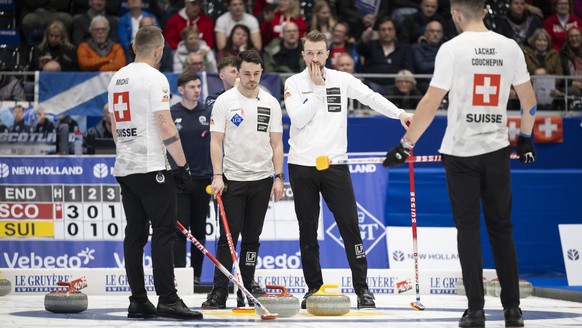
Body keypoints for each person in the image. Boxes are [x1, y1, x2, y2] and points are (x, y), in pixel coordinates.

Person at [382, 0, 537, 327]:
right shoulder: (509, 47)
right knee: (502, 229)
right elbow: (529, 101)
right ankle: (513, 309)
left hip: (461, 152)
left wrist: (405, 145)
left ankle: (476, 310)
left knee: (468, 230)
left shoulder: (452, 49)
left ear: (455, 14)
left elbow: (430, 101)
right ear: (484, 11)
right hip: (496, 148)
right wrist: (525, 138)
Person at [283, 30, 413, 310]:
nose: (315, 58)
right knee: (307, 230)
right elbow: (298, 118)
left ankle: (363, 289)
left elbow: (371, 97)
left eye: (320, 52)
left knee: (350, 228)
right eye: (310, 53)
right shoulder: (293, 82)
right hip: (301, 166)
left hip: (335, 166)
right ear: (302, 54)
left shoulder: (342, 79)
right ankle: (313, 288)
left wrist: (399, 114)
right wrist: (317, 89)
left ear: (328, 53)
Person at [107, 25, 202, 320]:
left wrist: (125, 150)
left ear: (135, 47)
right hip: (151, 166)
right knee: (164, 232)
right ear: (159, 50)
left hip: (125, 166)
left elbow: (112, 122)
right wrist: (183, 165)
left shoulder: (115, 79)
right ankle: (168, 300)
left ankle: (138, 300)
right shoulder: (156, 78)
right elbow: (164, 123)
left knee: (134, 235)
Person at [202, 50, 284, 309]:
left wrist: (279, 177)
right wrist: (217, 176)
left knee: (251, 239)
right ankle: (218, 292)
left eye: (256, 73)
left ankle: (245, 289)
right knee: (228, 239)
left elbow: (277, 143)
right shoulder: (225, 101)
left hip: (261, 180)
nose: (252, 78)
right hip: (231, 180)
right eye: (247, 73)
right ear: (237, 72)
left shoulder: (270, 102)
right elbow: (216, 141)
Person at [169, 70, 212, 287]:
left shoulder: (208, 112)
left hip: (203, 181)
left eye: (198, 86)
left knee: (199, 231)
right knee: (179, 230)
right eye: (192, 87)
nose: (197, 90)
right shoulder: (171, 113)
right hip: (179, 180)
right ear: (181, 90)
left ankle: (195, 276)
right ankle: (178, 276)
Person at [357, 17, 414, 94]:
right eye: (383, 30)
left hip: (396, 87)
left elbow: (408, 69)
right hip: (372, 85)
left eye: (390, 29)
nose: (387, 32)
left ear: (395, 31)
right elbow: (360, 50)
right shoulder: (371, 45)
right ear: (378, 32)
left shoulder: (404, 48)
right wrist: (364, 38)